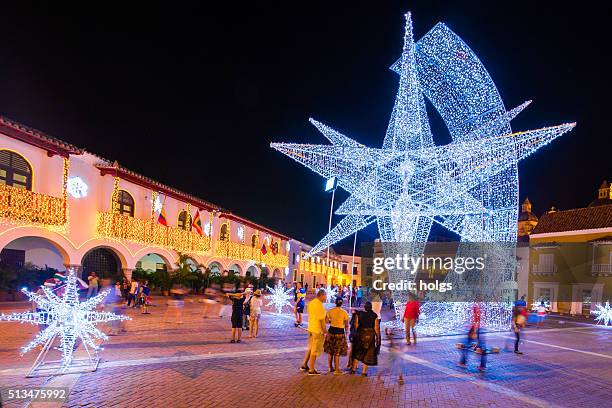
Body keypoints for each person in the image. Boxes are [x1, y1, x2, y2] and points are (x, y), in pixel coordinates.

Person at [300, 289, 327, 375]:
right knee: (315, 350)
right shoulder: (320, 306)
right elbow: (322, 320)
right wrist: (325, 331)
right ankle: (312, 369)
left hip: (310, 327)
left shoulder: (311, 303)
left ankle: (304, 364)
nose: (326, 298)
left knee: (310, 347)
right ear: (322, 295)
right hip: (317, 329)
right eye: (325, 296)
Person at [351, 301, 381, 377]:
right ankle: (363, 372)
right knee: (368, 353)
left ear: (365, 308)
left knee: (358, 352)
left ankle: (354, 369)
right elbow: (376, 328)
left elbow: (356, 325)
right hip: (370, 335)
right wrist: (378, 338)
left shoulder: (360, 314)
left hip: (361, 333)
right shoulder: (374, 315)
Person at [457, 302, 486, 372]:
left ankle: (463, 362)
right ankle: (482, 366)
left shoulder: (476, 306)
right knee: (482, 347)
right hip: (480, 328)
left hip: (475, 328)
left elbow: (476, 320)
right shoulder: (481, 306)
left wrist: (474, 331)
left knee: (466, 345)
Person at [324, 297, 349, 374]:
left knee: (330, 351)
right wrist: (347, 333)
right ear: (341, 303)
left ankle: (330, 367)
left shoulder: (330, 311)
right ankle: (337, 369)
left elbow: (326, 321)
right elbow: (347, 325)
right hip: (340, 332)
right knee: (337, 351)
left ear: (335, 303)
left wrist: (332, 320)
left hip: (331, 331)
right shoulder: (344, 312)